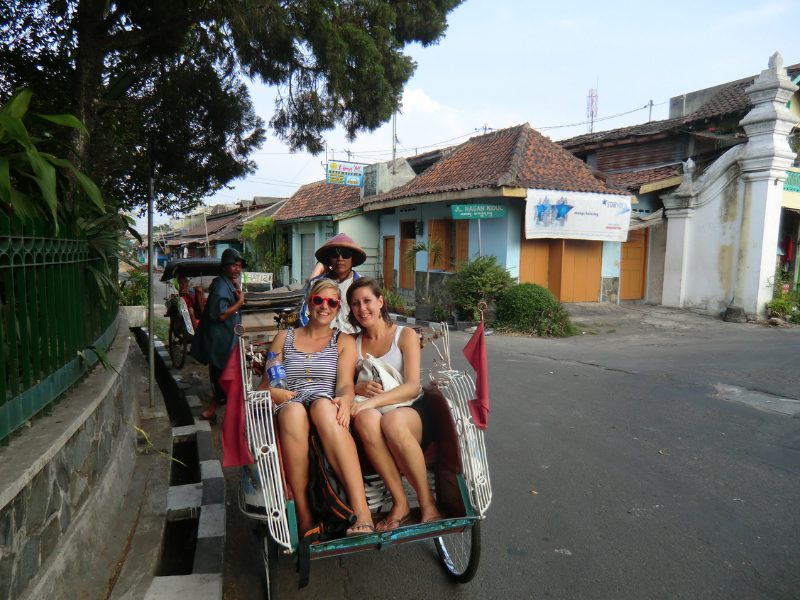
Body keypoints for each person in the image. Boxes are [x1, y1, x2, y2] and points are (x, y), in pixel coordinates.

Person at [258, 279, 374, 537]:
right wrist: (277, 392)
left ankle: (362, 511)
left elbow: (344, 384)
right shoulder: (283, 338)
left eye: (332, 302)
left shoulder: (341, 341)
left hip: (325, 401)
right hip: (290, 400)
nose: (325, 306)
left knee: (323, 407)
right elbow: (264, 388)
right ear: (309, 302)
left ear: (337, 308)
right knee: (293, 412)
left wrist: (345, 399)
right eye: (319, 300)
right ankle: (304, 514)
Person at [346, 278, 442, 531]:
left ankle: (427, 503)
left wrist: (372, 401)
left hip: (410, 411)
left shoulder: (404, 334)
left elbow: (412, 385)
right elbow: (344, 385)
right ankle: (400, 503)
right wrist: (358, 389)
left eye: (367, 301)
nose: (362, 308)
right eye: (355, 303)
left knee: (392, 420)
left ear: (380, 302)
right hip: (372, 414)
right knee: (366, 418)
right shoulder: (352, 342)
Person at [196, 248, 246, 421]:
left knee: (226, 377)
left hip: (227, 340)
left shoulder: (227, 284)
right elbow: (221, 314)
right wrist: (240, 302)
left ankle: (218, 410)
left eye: (239, 266)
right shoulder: (220, 286)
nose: (237, 270)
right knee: (223, 378)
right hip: (221, 343)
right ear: (225, 267)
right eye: (234, 266)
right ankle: (216, 410)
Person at [299, 233, 366, 334]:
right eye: (335, 255)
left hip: (354, 340)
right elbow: (304, 314)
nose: (340, 259)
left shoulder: (362, 284)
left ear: (353, 259)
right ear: (329, 259)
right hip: (322, 339)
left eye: (346, 254)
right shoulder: (316, 283)